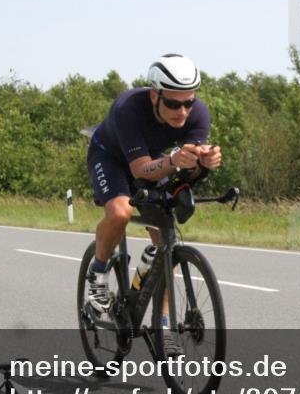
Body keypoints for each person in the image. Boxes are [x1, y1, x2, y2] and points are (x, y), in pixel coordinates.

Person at [84, 54, 222, 321]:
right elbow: (139, 169)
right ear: (154, 96)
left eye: (188, 103)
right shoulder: (129, 107)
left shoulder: (198, 114)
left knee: (165, 241)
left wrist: (204, 162)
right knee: (121, 213)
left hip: (155, 160)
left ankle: (164, 322)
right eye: (173, 103)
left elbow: (187, 170)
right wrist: (172, 161)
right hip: (111, 158)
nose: (182, 111)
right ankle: (97, 276)